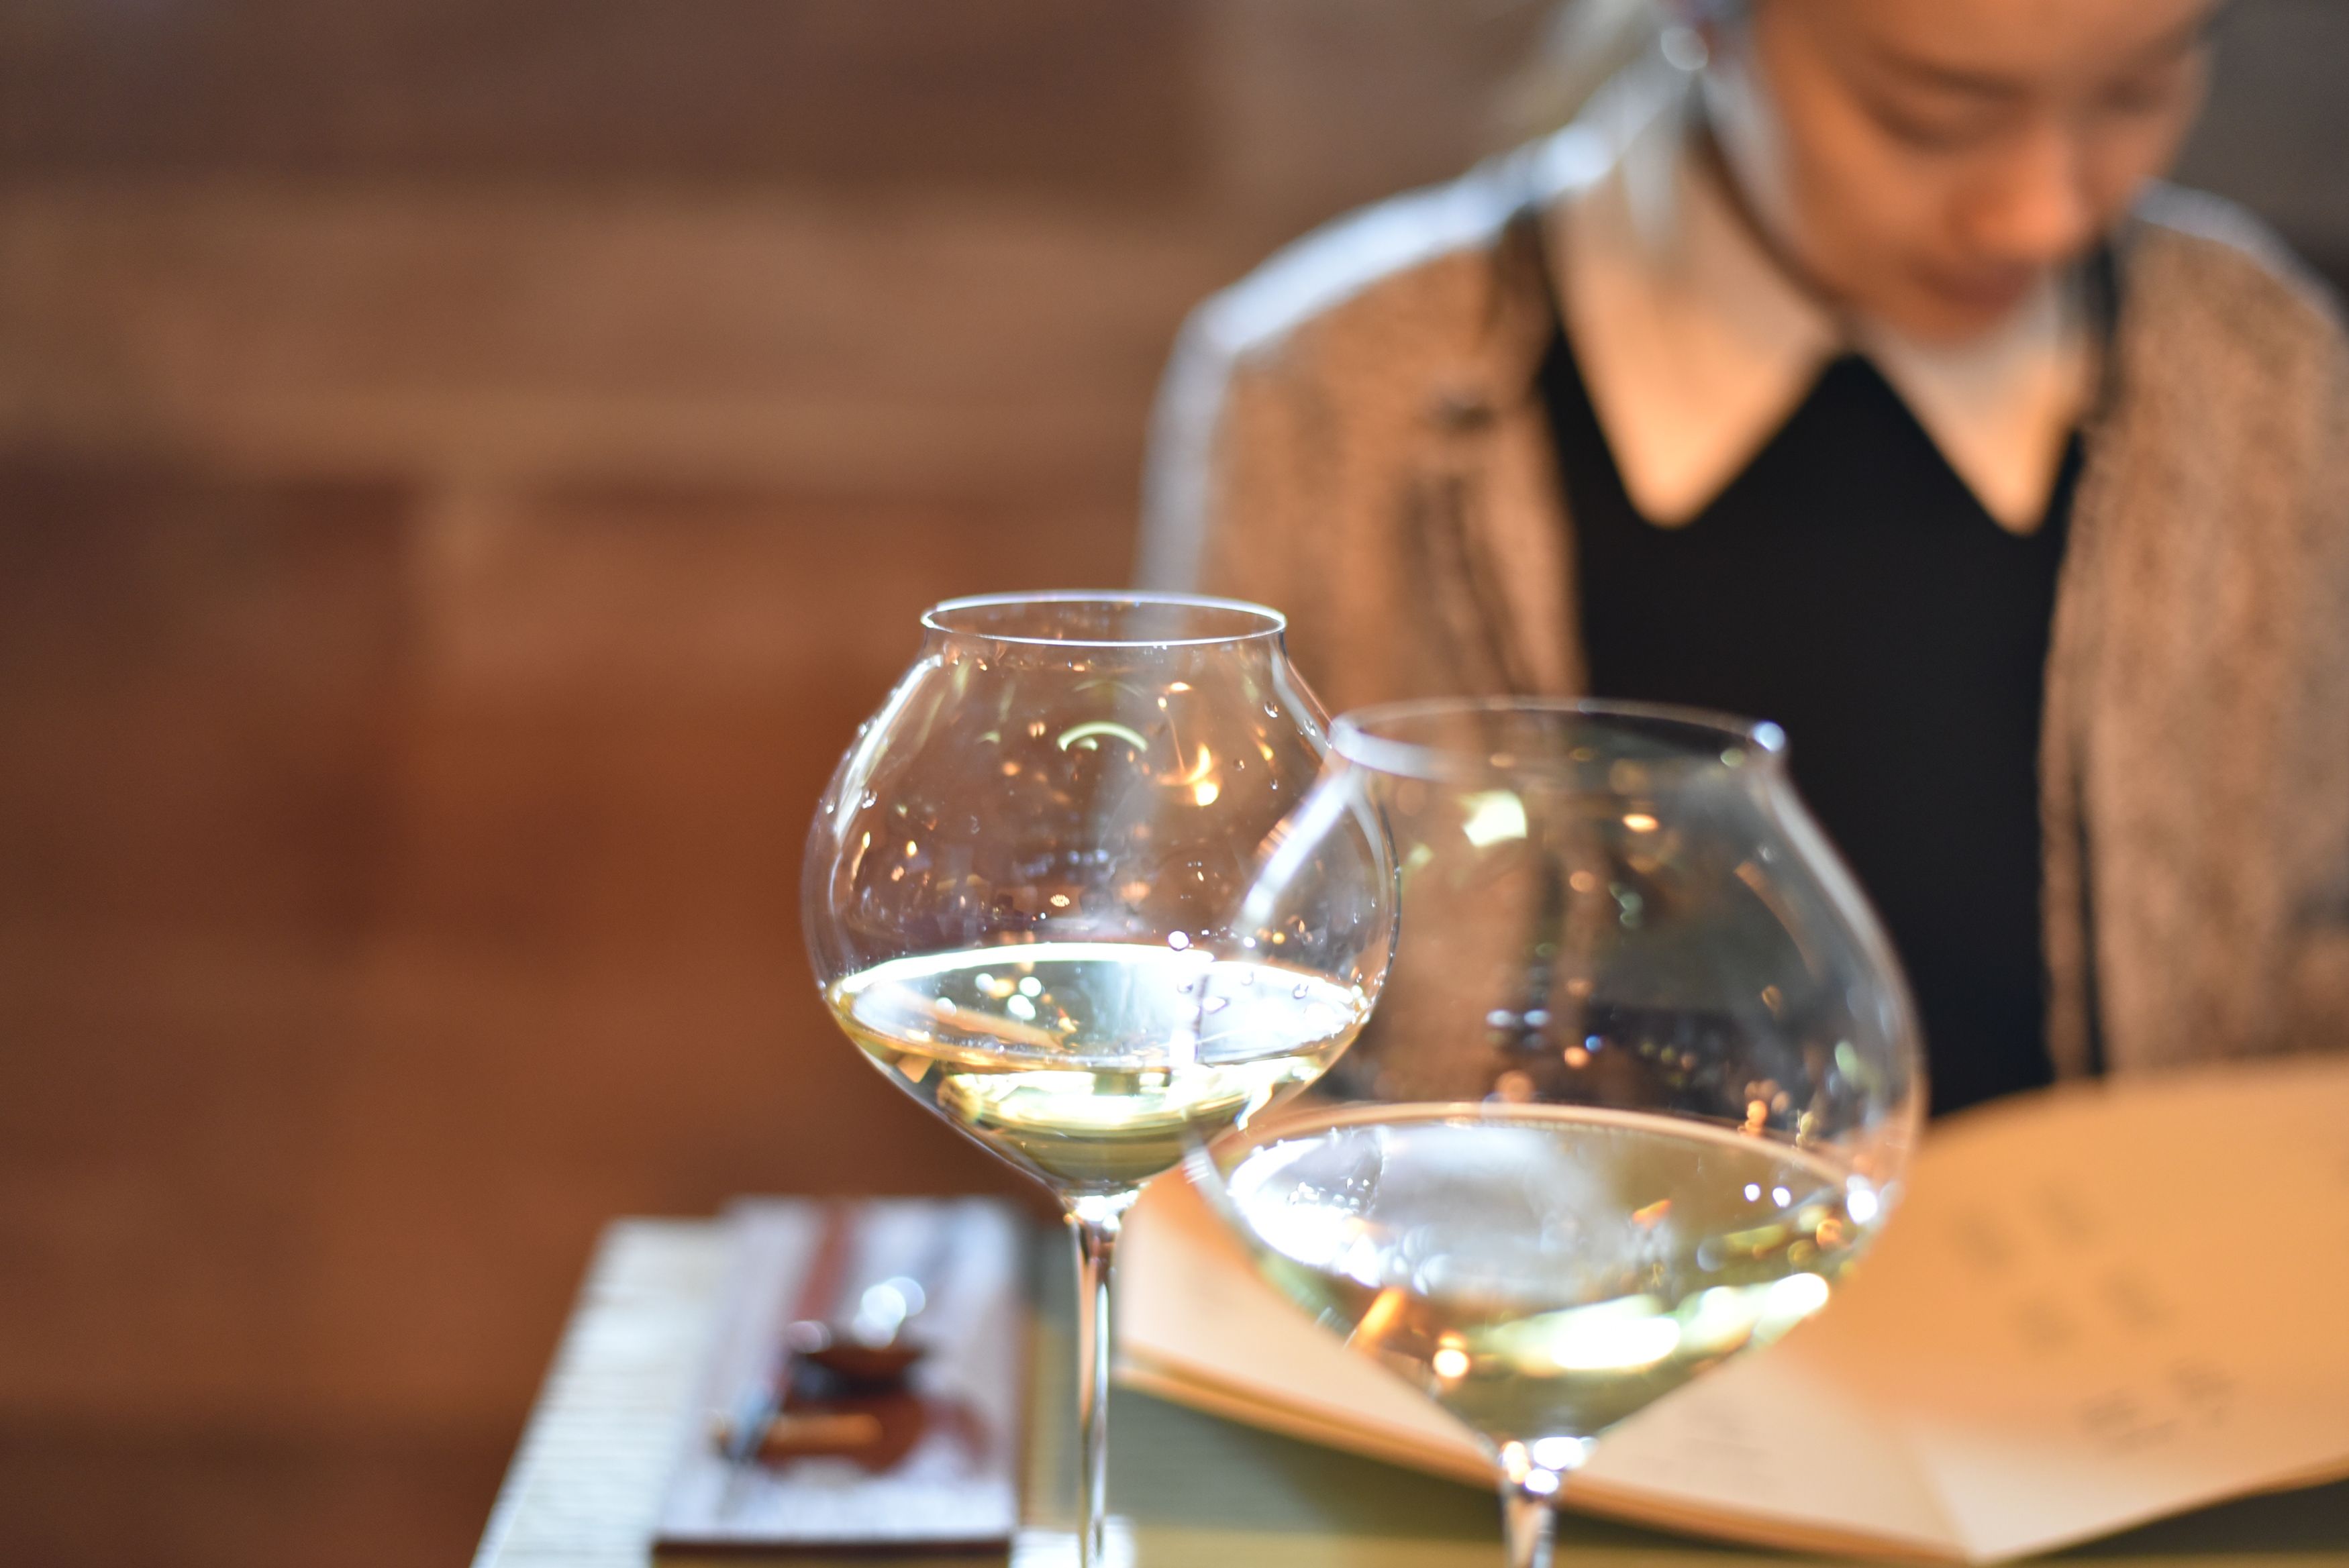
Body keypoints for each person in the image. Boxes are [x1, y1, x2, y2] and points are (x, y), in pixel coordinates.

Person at [1138, 0, 2349, 1115]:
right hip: (1497, 1274)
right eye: (1932, 117)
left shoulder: (2261, 372)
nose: (2044, 209)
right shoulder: (1335, 390)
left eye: (2138, 91)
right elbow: (1193, 1000)